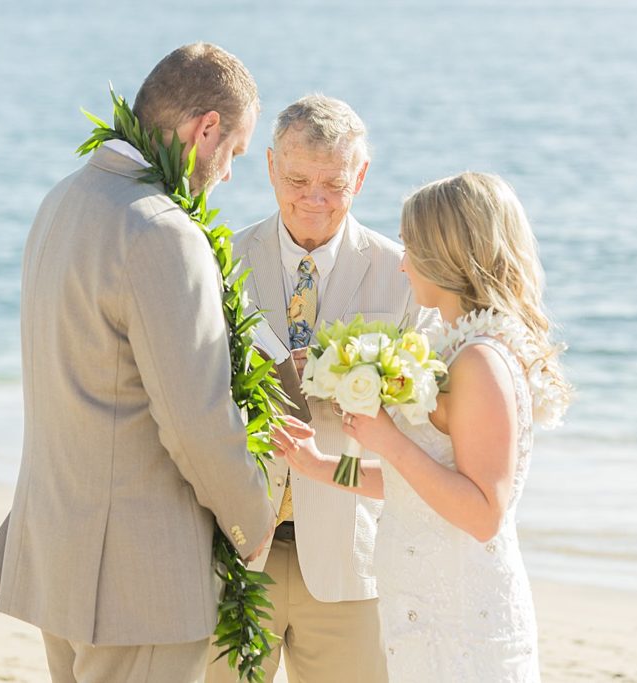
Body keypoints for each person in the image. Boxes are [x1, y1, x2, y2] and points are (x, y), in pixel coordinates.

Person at [0, 43, 275, 683]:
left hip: (62, 550)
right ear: (205, 130)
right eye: (235, 153)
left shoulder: (66, 197)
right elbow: (195, 418)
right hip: (140, 580)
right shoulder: (160, 232)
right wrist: (252, 519)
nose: (229, 173)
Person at [273, 172, 572, 681]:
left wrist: (387, 438)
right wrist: (322, 468)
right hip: (424, 608)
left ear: (447, 256)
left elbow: (482, 513)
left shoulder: (480, 361)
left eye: (413, 247)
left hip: (460, 618)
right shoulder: (454, 350)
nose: (404, 262)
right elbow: (419, 483)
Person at [206, 95, 422, 683]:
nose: (314, 199)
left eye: (334, 183)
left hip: (350, 557)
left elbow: (424, 419)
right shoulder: (217, 260)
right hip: (234, 549)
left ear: (363, 176)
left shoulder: (402, 273)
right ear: (271, 165)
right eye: (298, 179)